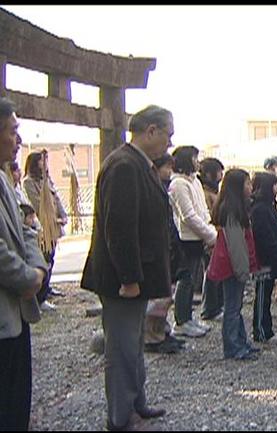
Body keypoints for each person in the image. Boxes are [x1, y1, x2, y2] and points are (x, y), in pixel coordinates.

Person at [81, 105, 173, 430]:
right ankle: (120, 416)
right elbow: (119, 227)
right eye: (167, 135)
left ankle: (137, 402)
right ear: (150, 131)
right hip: (123, 280)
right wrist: (130, 277)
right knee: (120, 348)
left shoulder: (138, 164)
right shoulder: (124, 165)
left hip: (135, 276)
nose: (169, 143)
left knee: (132, 343)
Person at [0, 97, 48, 431]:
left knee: (18, 402)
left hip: (17, 312)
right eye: (13, 131)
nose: (18, 140)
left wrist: (37, 270)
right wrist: (26, 277)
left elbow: (26, 227)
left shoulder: (4, 179)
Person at [207, 169, 261, 361]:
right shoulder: (233, 212)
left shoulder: (234, 209)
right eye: (247, 183)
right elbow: (236, 246)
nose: (250, 187)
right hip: (231, 266)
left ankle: (241, 342)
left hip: (231, 265)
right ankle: (233, 347)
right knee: (232, 307)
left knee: (235, 306)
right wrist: (242, 271)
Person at [168, 146, 216, 338]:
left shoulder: (194, 181)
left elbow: (202, 211)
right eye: (195, 158)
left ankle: (188, 317)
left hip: (199, 236)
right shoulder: (178, 184)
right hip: (186, 239)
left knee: (194, 277)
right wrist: (210, 235)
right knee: (185, 279)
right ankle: (181, 320)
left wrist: (208, 230)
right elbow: (188, 216)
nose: (198, 162)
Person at [144, 153, 185, 354]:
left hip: (168, 247)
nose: (169, 172)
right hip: (158, 250)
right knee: (157, 299)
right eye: (166, 168)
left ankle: (162, 331)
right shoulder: (152, 191)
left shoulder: (163, 190)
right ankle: (152, 336)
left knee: (167, 295)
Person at [249, 171, 277, 344]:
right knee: (262, 296)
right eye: (274, 184)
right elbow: (265, 238)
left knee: (266, 295)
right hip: (263, 261)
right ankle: (260, 331)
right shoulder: (259, 209)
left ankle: (267, 330)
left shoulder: (268, 205)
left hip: (269, 260)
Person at [23, 149, 68, 309]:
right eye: (42, 160)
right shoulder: (29, 182)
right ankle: (40, 297)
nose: (45, 164)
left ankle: (47, 288)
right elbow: (37, 204)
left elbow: (57, 199)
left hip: (54, 228)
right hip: (43, 229)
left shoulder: (47, 180)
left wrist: (63, 217)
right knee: (44, 259)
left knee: (52, 257)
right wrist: (51, 220)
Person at [199, 157, 226, 321]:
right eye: (218, 172)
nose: (221, 175)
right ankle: (209, 308)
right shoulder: (205, 193)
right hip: (211, 238)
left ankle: (216, 306)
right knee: (211, 274)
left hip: (218, 236)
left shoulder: (214, 192)